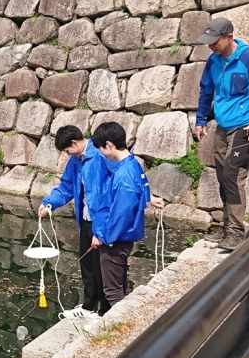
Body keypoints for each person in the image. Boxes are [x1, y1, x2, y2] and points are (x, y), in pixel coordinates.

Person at [195, 17, 249, 250]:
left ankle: (236, 232)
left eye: (214, 41)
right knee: (223, 177)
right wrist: (201, 119)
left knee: (233, 176)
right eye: (208, 42)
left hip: (245, 127)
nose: (210, 46)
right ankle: (227, 229)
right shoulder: (213, 61)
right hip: (223, 127)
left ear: (229, 37)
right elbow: (206, 91)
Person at [38, 125, 109, 319]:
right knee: (87, 266)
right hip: (85, 221)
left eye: (67, 150)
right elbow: (66, 187)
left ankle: (104, 312)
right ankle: (88, 307)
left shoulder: (101, 155)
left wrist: (102, 229)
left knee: (102, 268)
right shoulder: (75, 161)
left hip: (102, 220)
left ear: (74, 143)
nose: (66, 154)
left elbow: (111, 192)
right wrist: (48, 203)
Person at [91, 122, 162, 307]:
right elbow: (140, 192)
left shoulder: (123, 174)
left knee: (112, 291)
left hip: (115, 239)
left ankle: (124, 330)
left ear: (110, 145)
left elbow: (121, 212)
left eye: (101, 148)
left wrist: (103, 236)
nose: (101, 153)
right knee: (121, 285)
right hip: (123, 238)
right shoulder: (133, 165)